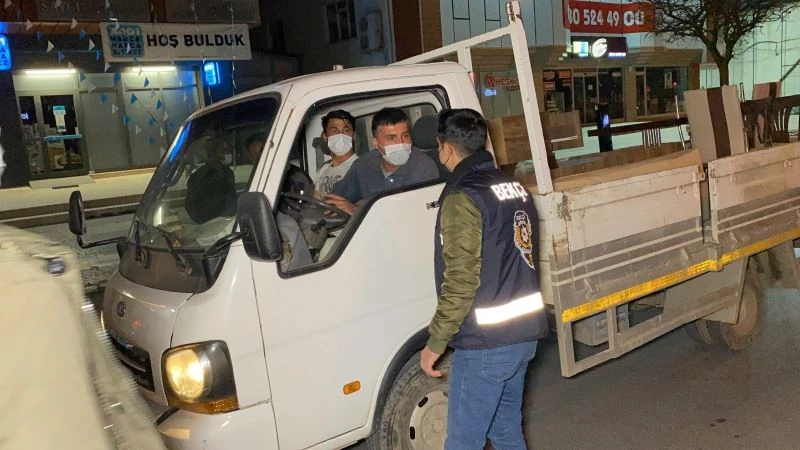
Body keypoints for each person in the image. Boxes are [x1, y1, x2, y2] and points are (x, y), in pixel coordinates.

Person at [420, 108, 548, 450]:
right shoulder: (514, 187)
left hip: (486, 345)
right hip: (523, 334)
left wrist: (435, 343)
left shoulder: (463, 196)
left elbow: (461, 281)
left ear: (446, 147)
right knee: (506, 433)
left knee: (463, 441)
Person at [326, 107, 439, 214]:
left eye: (405, 136)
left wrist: (357, 210)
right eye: (392, 138)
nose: (401, 143)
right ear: (376, 143)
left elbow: (424, 209)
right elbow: (337, 199)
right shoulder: (365, 163)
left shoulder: (423, 166)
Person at [315, 110, 359, 196]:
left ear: (354, 135)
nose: (341, 135)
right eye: (334, 131)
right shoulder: (324, 169)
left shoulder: (361, 167)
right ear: (325, 136)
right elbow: (314, 199)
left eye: (346, 130)